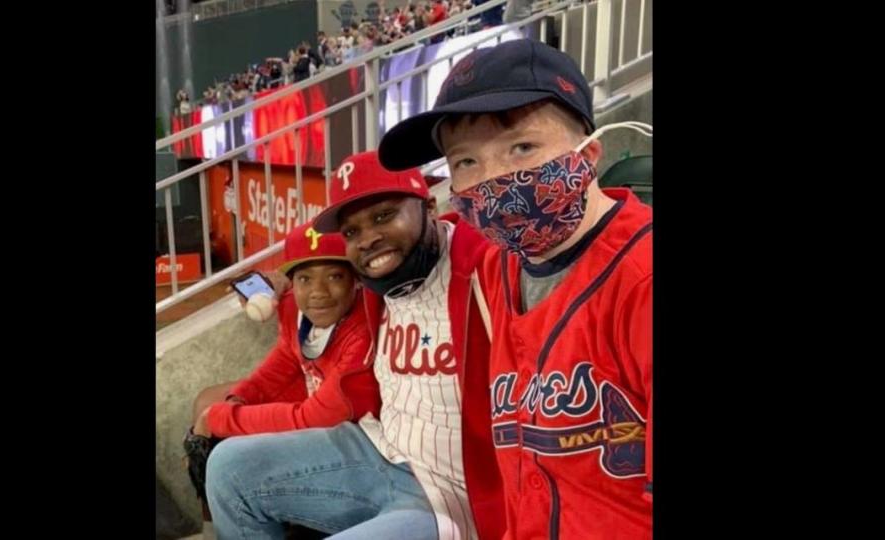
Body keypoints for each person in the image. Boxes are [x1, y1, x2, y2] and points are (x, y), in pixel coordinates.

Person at [377, 38, 654, 539]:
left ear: (587, 156)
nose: (493, 179)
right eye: (465, 162)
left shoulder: (643, 279)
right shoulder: (498, 269)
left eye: (522, 146)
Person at [206, 151, 505, 540]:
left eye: (384, 216)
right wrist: (278, 282)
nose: (368, 240)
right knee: (228, 465)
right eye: (351, 232)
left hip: (455, 494)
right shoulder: (376, 285)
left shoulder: (484, 267)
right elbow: (310, 298)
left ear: (429, 206)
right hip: (381, 449)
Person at [186, 222, 382, 534]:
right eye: (305, 278)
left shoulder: (363, 328)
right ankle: (214, 529)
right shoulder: (293, 305)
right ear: (291, 282)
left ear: (356, 280)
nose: (318, 292)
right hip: (316, 405)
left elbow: (319, 416)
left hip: (357, 440)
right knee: (208, 406)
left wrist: (228, 417)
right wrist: (241, 398)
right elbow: (285, 358)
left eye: (334, 276)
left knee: (222, 436)